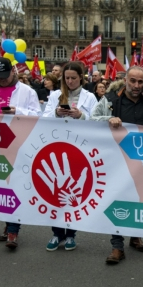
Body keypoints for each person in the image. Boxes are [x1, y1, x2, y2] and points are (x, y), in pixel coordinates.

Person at [90, 66, 143, 264]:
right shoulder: (111, 99)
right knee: (118, 199)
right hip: (116, 159)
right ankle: (116, 246)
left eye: (140, 82)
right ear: (125, 80)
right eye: (133, 81)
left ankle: (135, 236)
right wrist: (108, 119)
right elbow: (92, 118)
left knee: (140, 198)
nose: (136, 86)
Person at [0, 57, 42, 250]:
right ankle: (8, 224)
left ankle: (13, 230)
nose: (1, 80)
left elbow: (38, 115)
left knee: (14, 185)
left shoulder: (27, 91)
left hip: (19, 143)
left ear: (13, 72)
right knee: (1, 186)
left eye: (5, 77)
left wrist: (18, 111)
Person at [43, 61, 98, 251]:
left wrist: (81, 116)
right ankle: (57, 233)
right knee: (56, 191)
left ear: (81, 78)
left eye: (74, 78)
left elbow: (98, 121)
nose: (70, 81)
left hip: (78, 148)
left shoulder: (90, 97)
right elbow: (44, 118)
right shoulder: (55, 96)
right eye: (67, 78)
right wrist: (57, 113)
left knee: (73, 191)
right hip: (57, 146)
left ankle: (71, 234)